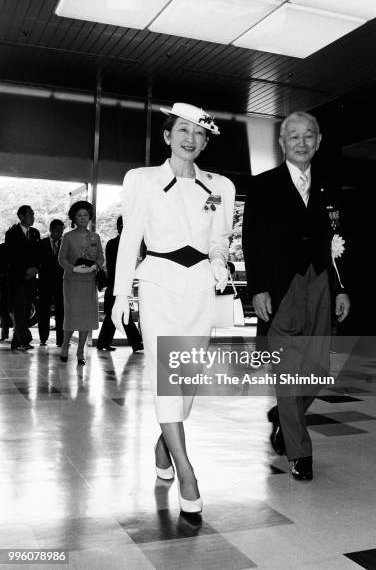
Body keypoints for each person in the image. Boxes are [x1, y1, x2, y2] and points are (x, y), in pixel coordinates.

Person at [112, 102, 235, 513]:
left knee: (187, 378)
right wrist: (118, 295)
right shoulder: (142, 180)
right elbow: (130, 238)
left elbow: (220, 239)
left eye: (199, 133)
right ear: (167, 136)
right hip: (157, 286)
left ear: (205, 142)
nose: (190, 138)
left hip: (200, 288)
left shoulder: (221, 186)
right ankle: (187, 472)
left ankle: (163, 445)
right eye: (182, 130)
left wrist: (219, 262)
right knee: (166, 375)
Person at [242, 111, 350, 481]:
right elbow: (251, 243)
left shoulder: (330, 189)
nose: (302, 143)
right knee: (287, 375)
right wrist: (255, 289)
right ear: (282, 143)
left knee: (319, 373)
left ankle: (282, 416)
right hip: (280, 289)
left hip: (320, 285)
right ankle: (299, 452)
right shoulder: (261, 186)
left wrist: (341, 288)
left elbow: (340, 247)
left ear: (318, 141)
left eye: (309, 136)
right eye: (294, 137)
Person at [58, 201, 104, 365]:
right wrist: (74, 269)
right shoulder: (68, 236)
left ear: (90, 217)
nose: (83, 218)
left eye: (86, 215)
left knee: (86, 317)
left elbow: (101, 258)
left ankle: (80, 351)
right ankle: (65, 346)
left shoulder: (95, 237)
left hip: (89, 282)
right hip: (72, 281)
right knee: (72, 315)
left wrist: (94, 266)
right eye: (79, 215)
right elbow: (61, 258)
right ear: (74, 218)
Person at [96, 215, 143, 352]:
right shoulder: (116, 244)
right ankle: (137, 344)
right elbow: (116, 265)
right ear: (119, 228)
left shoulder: (126, 242)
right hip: (116, 284)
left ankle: (102, 343)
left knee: (113, 315)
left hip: (119, 283)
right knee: (123, 314)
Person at [5, 205, 41, 351]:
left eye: (33, 214)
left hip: (31, 279)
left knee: (26, 311)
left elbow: (38, 254)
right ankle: (24, 341)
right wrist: (25, 270)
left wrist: (35, 268)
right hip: (17, 279)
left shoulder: (35, 233)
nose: (33, 217)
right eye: (30, 214)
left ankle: (16, 342)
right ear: (21, 216)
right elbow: (12, 256)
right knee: (19, 308)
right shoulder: (11, 233)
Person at [38, 219, 65, 347]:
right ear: (51, 230)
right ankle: (43, 338)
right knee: (44, 311)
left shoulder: (64, 244)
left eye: (62, 231)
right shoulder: (41, 243)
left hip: (60, 283)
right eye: (58, 231)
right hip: (45, 283)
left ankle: (61, 340)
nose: (60, 233)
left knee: (61, 312)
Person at [0, 242, 12, 341]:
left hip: (3, 281)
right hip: (9, 281)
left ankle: (5, 333)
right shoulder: (14, 249)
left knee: (4, 309)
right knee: (6, 310)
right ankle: (5, 333)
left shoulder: (2, 247)